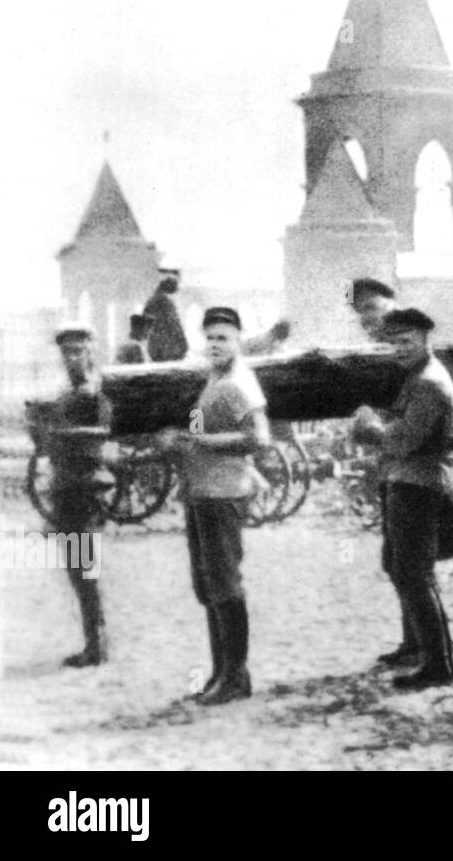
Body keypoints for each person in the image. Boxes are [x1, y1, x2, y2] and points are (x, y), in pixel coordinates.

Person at [157, 307, 269, 705]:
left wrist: (200, 443)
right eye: (211, 337)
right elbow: (204, 427)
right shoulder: (214, 377)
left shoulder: (240, 382)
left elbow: (259, 438)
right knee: (208, 584)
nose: (216, 344)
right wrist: (181, 439)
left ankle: (237, 677)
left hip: (224, 494)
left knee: (224, 582)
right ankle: (222, 671)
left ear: (238, 341)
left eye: (224, 337)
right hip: (201, 491)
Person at [350, 308, 453, 690]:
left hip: (419, 484)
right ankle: (416, 645)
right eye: (393, 342)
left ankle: (439, 663)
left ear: (425, 338)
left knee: (414, 572)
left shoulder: (429, 383)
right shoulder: (415, 377)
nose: (398, 349)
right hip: (404, 480)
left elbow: (404, 439)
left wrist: (369, 426)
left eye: (406, 341)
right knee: (400, 566)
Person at [27, 326, 112, 666]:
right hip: (66, 488)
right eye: (66, 352)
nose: (72, 358)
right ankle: (94, 642)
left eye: (78, 351)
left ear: (90, 352)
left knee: (83, 568)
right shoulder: (68, 393)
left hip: (83, 489)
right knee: (77, 569)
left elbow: (102, 432)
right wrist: (39, 429)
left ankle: (97, 645)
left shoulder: (92, 392)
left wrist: (56, 433)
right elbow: (49, 443)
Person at [143, 266, 188, 362]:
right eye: (171, 273)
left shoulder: (164, 300)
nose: (177, 280)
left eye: (176, 274)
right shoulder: (159, 301)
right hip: (166, 360)